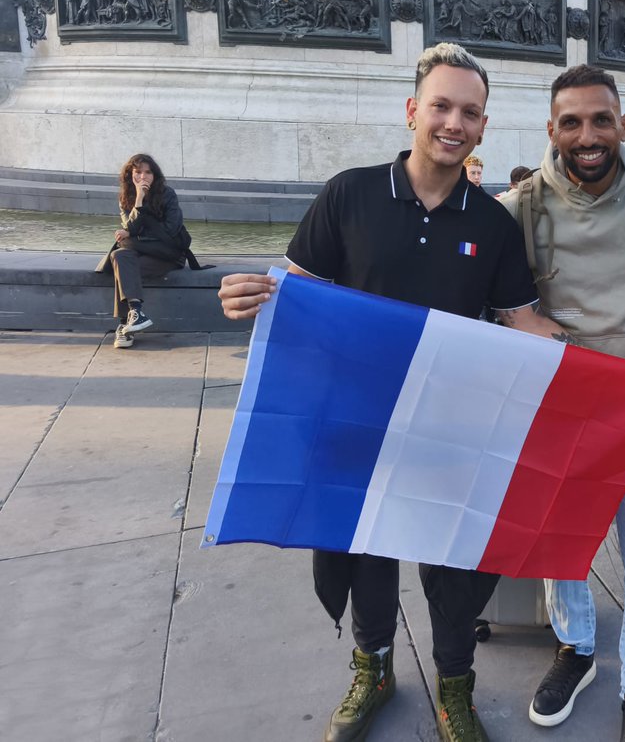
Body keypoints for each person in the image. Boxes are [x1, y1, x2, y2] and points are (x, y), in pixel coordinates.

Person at [216, 43, 568, 742]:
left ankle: (455, 688)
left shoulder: (491, 224)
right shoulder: (349, 193)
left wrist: (610, 372)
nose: (453, 122)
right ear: (413, 111)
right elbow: (299, 293)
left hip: (448, 425)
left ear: (483, 126)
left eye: (470, 112)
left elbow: (524, 322)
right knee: (363, 552)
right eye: (441, 106)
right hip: (356, 420)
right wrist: (251, 295)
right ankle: (372, 669)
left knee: (453, 561)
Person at [497, 64, 625, 742]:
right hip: (562, 412)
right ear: (552, 130)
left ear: (622, 123)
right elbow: (452, 279)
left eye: (600, 120)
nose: (587, 135)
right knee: (564, 550)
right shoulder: (521, 209)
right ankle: (577, 648)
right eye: (571, 122)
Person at [96, 153, 191, 349]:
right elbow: (131, 228)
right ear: (130, 175)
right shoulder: (127, 198)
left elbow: (170, 231)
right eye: (138, 172)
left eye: (148, 172)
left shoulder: (167, 194)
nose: (143, 177)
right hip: (140, 255)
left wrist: (137, 232)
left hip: (167, 254)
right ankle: (135, 313)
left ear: (155, 175)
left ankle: (123, 325)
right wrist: (139, 200)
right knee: (120, 256)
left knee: (120, 260)